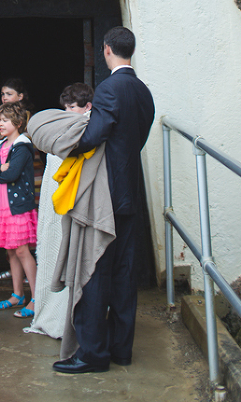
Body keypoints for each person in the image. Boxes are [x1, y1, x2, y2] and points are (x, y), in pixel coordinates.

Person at [52, 27, 155, 374]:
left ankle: (93, 354)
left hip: (105, 195)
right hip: (131, 192)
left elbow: (94, 136)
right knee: (125, 275)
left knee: (95, 270)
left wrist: (68, 138)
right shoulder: (143, 90)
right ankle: (121, 350)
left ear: (107, 50)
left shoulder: (110, 88)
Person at [25, 83, 94, 340]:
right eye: (64, 107)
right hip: (56, 213)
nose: (67, 112)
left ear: (88, 107)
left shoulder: (90, 132)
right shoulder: (63, 130)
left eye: (72, 108)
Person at [0, 102, 38, 318]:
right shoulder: (0, 146)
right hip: (4, 208)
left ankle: (35, 298)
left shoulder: (23, 146)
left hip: (19, 208)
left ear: (17, 123)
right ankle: (17, 295)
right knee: (11, 252)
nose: (0, 124)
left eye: (5, 120)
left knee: (23, 251)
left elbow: (11, 175)